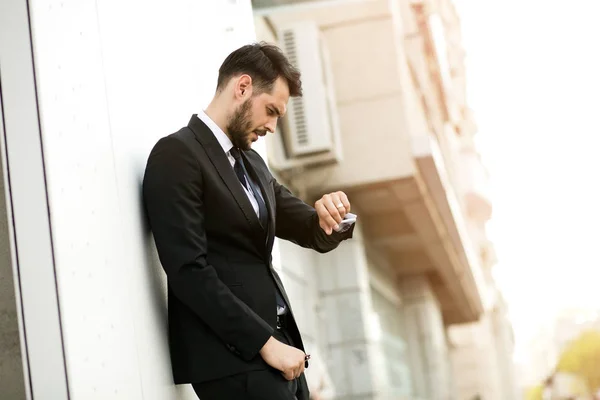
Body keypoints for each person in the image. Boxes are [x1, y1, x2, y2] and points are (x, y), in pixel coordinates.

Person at [142, 42, 355, 400]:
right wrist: (264, 344)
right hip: (236, 360)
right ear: (242, 88)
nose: (272, 126)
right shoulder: (177, 154)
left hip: (282, 353)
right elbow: (188, 270)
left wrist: (332, 215)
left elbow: (307, 225)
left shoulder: (253, 165)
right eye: (270, 111)